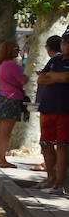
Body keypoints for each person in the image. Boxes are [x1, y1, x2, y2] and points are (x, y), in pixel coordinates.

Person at [35, 35, 69, 191]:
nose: (66, 45)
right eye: (64, 42)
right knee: (46, 144)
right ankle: (50, 178)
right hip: (48, 108)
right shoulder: (55, 59)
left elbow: (66, 76)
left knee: (62, 146)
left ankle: (59, 183)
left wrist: (52, 77)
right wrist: (58, 78)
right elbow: (41, 79)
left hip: (65, 110)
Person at [0, 40, 27, 167]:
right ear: (10, 50)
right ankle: (2, 160)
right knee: (6, 133)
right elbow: (23, 80)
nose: (18, 50)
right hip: (12, 99)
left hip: (2, 98)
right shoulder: (12, 65)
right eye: (16, 48)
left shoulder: (0, 65)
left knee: (0, 131)